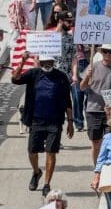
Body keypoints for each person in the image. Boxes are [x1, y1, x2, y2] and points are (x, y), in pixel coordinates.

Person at [11, 52, 74, 197]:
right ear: (39, 60)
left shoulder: (61, 76)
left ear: (53, 60)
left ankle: (46, 183)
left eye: (50, 60)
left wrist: (70, 121)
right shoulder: (33, 73)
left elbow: (67, 100)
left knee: (51, 152)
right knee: (32, 151)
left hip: (55, 121)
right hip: (36, 120)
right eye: (44, 60)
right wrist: (22, 61)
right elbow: (15, 79)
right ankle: (36, 172)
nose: (47, 63)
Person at [80, 44, 111, 165]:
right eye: (105, 51)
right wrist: (87, 77)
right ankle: (97, 169)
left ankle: (108, 167)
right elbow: (82, 87)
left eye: (110, 52)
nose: (107, 54)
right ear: (101, 52)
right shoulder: (93, 67)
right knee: (96, 142)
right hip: (93, 109)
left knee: (110, 142)